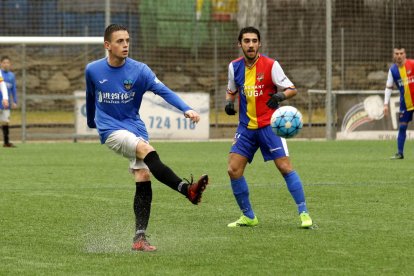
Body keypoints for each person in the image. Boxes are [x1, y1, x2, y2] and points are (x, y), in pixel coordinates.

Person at [85, 24, 209, 252]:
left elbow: (164, 91)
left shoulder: (140, 70)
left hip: (135, 127)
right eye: (120, 41)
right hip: (111, 131)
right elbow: (90, 97)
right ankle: (186, 190)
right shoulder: (93, 70)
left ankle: (139, 238)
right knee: (145, 150)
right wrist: (93, 123)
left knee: (143, 176)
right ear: (107, 45)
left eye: (127, 40)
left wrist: (186, 108)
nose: (125, 45)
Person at [224, 26, 312, 228]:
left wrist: (280, 96)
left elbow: (291, 89)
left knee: (284, 167)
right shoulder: (234, 67)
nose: (251, 45)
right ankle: (248, 216)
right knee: (233, 169)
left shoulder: (271, 65)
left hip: (269, 126)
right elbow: (231, 90)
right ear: (240, 44)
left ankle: (304, 213)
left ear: (259, 43)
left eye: (254, 41)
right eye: (246, 41)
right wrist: (229, 102)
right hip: (246, 128)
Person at [383, 46, 414, 160]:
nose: (399, 56)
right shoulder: (392, 70)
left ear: (405, 54)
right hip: (405, 103)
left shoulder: (412, 64)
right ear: (393, 55)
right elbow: (389, 87)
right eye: (397, 53)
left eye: (401, 53)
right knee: (402, 127)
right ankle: (400, 153)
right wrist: (385, 104)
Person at [0, 56, 17, 147]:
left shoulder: (11, 75)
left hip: (6, 103)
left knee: (5, 122)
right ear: (1, 63)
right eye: (4, 62)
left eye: (8, 62)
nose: (6, 64)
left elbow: (13, 89)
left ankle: (6, 142)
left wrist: (15, 100)